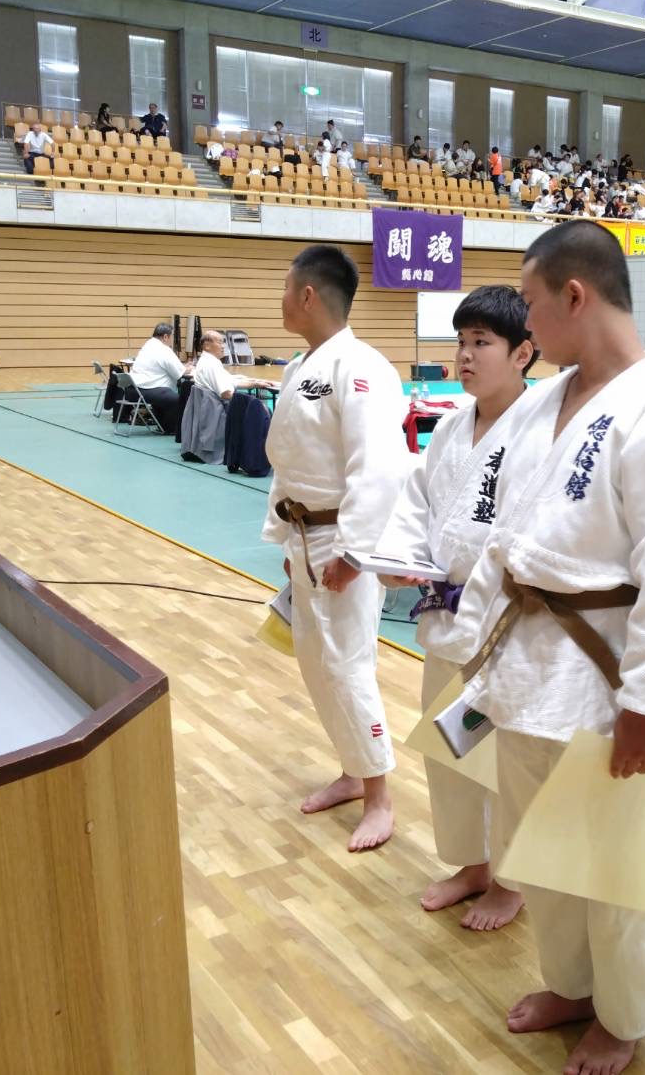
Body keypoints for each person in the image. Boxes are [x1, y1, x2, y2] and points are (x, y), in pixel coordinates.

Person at [451, 221, 645, 1075]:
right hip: (525, 660)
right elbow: (504, 531)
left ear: (574, 296)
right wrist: (470, 637)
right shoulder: (546, 399)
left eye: (530, 304)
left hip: (607, 673)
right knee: (537, 849)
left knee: (611, 868)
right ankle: (572, 986)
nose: (526, 326)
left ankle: (626, 1015)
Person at [378, 285, 534, 933]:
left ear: (523, 353)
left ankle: (511, 882)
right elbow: (416, 505)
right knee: (449, 751)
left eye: (482, 343)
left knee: (505, 762)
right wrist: (402, 558)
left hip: (507, 624)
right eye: (461, 341)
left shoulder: (542, 431)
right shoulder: (449, 426)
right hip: (443, 614)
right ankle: (472, 864)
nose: (465, 356)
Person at [263, 245, 409, 853]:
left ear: (307, 295)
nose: (280, 299)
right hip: (304, 535)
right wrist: (283, 535)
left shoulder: (362, 366)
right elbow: (289, 462)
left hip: (340, 541)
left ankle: (380, 796)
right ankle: (352, 771)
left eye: (285, 288)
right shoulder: (300, 368)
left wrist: (353, 552)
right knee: (316, 665)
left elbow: (379, 467)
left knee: (348, 667)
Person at [130, 321, 191, 429]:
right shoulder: (164, 349)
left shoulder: (148, 345)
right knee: (177, 398)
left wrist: (182, 367)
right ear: (166, 337)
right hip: (148, 390)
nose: (172, 339)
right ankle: (171, 428)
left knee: (165, 393)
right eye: (172, 336)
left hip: (134, 389)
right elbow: (180, 373)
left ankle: (163, 425)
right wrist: (189, 368)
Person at [191, 329, 259, 400]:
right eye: (219, 343)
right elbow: (226, 394)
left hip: (211, 404)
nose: (223, 346)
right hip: (220, 405)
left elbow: (230, 381)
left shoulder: (206, 360)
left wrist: (255, 382)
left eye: (223, 343)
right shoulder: (211, 364)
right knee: (255, 402)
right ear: (207, 346)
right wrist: (248, 400)